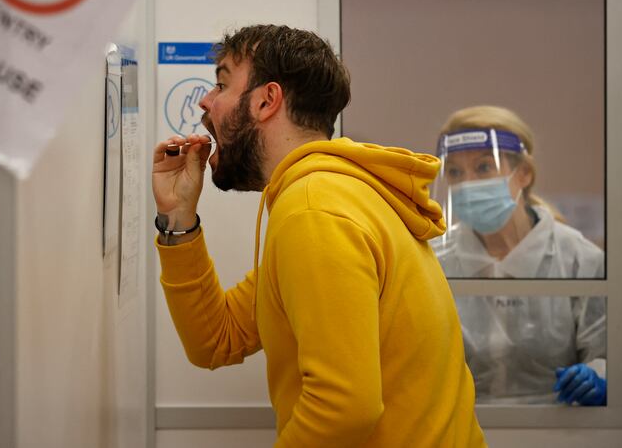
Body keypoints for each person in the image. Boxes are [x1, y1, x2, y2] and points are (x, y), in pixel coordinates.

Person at [151, 24, 486, 446]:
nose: (206, 100)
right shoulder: (330, 194)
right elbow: (216, 339)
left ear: (266, 101)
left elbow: (344, 407)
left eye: (221, 84)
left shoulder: (314, 209)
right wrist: (178, 218)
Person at [430, 105, 606, 406]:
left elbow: (608, 353)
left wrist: (600, 375)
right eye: (456, 172)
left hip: (559, 432)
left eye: (484, 167)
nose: (468, 183)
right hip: (464, 432)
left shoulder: (578, 258)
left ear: (523, 173)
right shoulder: (435, 260)